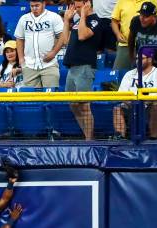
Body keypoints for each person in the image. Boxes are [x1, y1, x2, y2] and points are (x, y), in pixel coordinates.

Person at [62, 0, 102, 140]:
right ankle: (86, 136)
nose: (77, 9)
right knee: (73, 104)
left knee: (84, 106)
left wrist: (84, 15)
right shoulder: (78, 21)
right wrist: (67, 21)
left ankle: (89, 140)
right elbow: (66, 41)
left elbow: (82, 35)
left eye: (79, 6)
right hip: (72, 68)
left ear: (87, 4)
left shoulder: (95, 20)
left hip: (85, 67)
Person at [113, 48, 157, 139]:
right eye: (136, 59)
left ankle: (153, 138)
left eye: (141, 58)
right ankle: (120, 138)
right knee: (117, 108)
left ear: (150, 59)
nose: (138, 61)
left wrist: (149, 100)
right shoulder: (129, 74)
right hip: (132, 105)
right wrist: (131, 102)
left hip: (151, 105)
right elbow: (121, 94)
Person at [15, 0, 65, 88]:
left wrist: (54, 52)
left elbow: (62, 36)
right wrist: (21, 59)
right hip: (29, 65)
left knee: (51, 97)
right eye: (32, 6)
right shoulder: (24, 18)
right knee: (31, 99)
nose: (34, 8)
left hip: (49, 64)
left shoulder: (53, 17)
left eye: (37, 5)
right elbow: (19, 39)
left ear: (44, 4)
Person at [111, 0, 157, 69]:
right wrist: (117, 34)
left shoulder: (151, 0)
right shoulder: (122, 1)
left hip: (146, 44)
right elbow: (114, 21)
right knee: (117, 73)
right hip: (125, 44)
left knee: (147, 73)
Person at [127, 2, 157, 70]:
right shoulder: (136, 21)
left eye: (146, 16)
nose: (142, 18)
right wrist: (131, 57)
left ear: (153, 17)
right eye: (141, 14)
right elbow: (131, 39)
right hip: (142, 60)